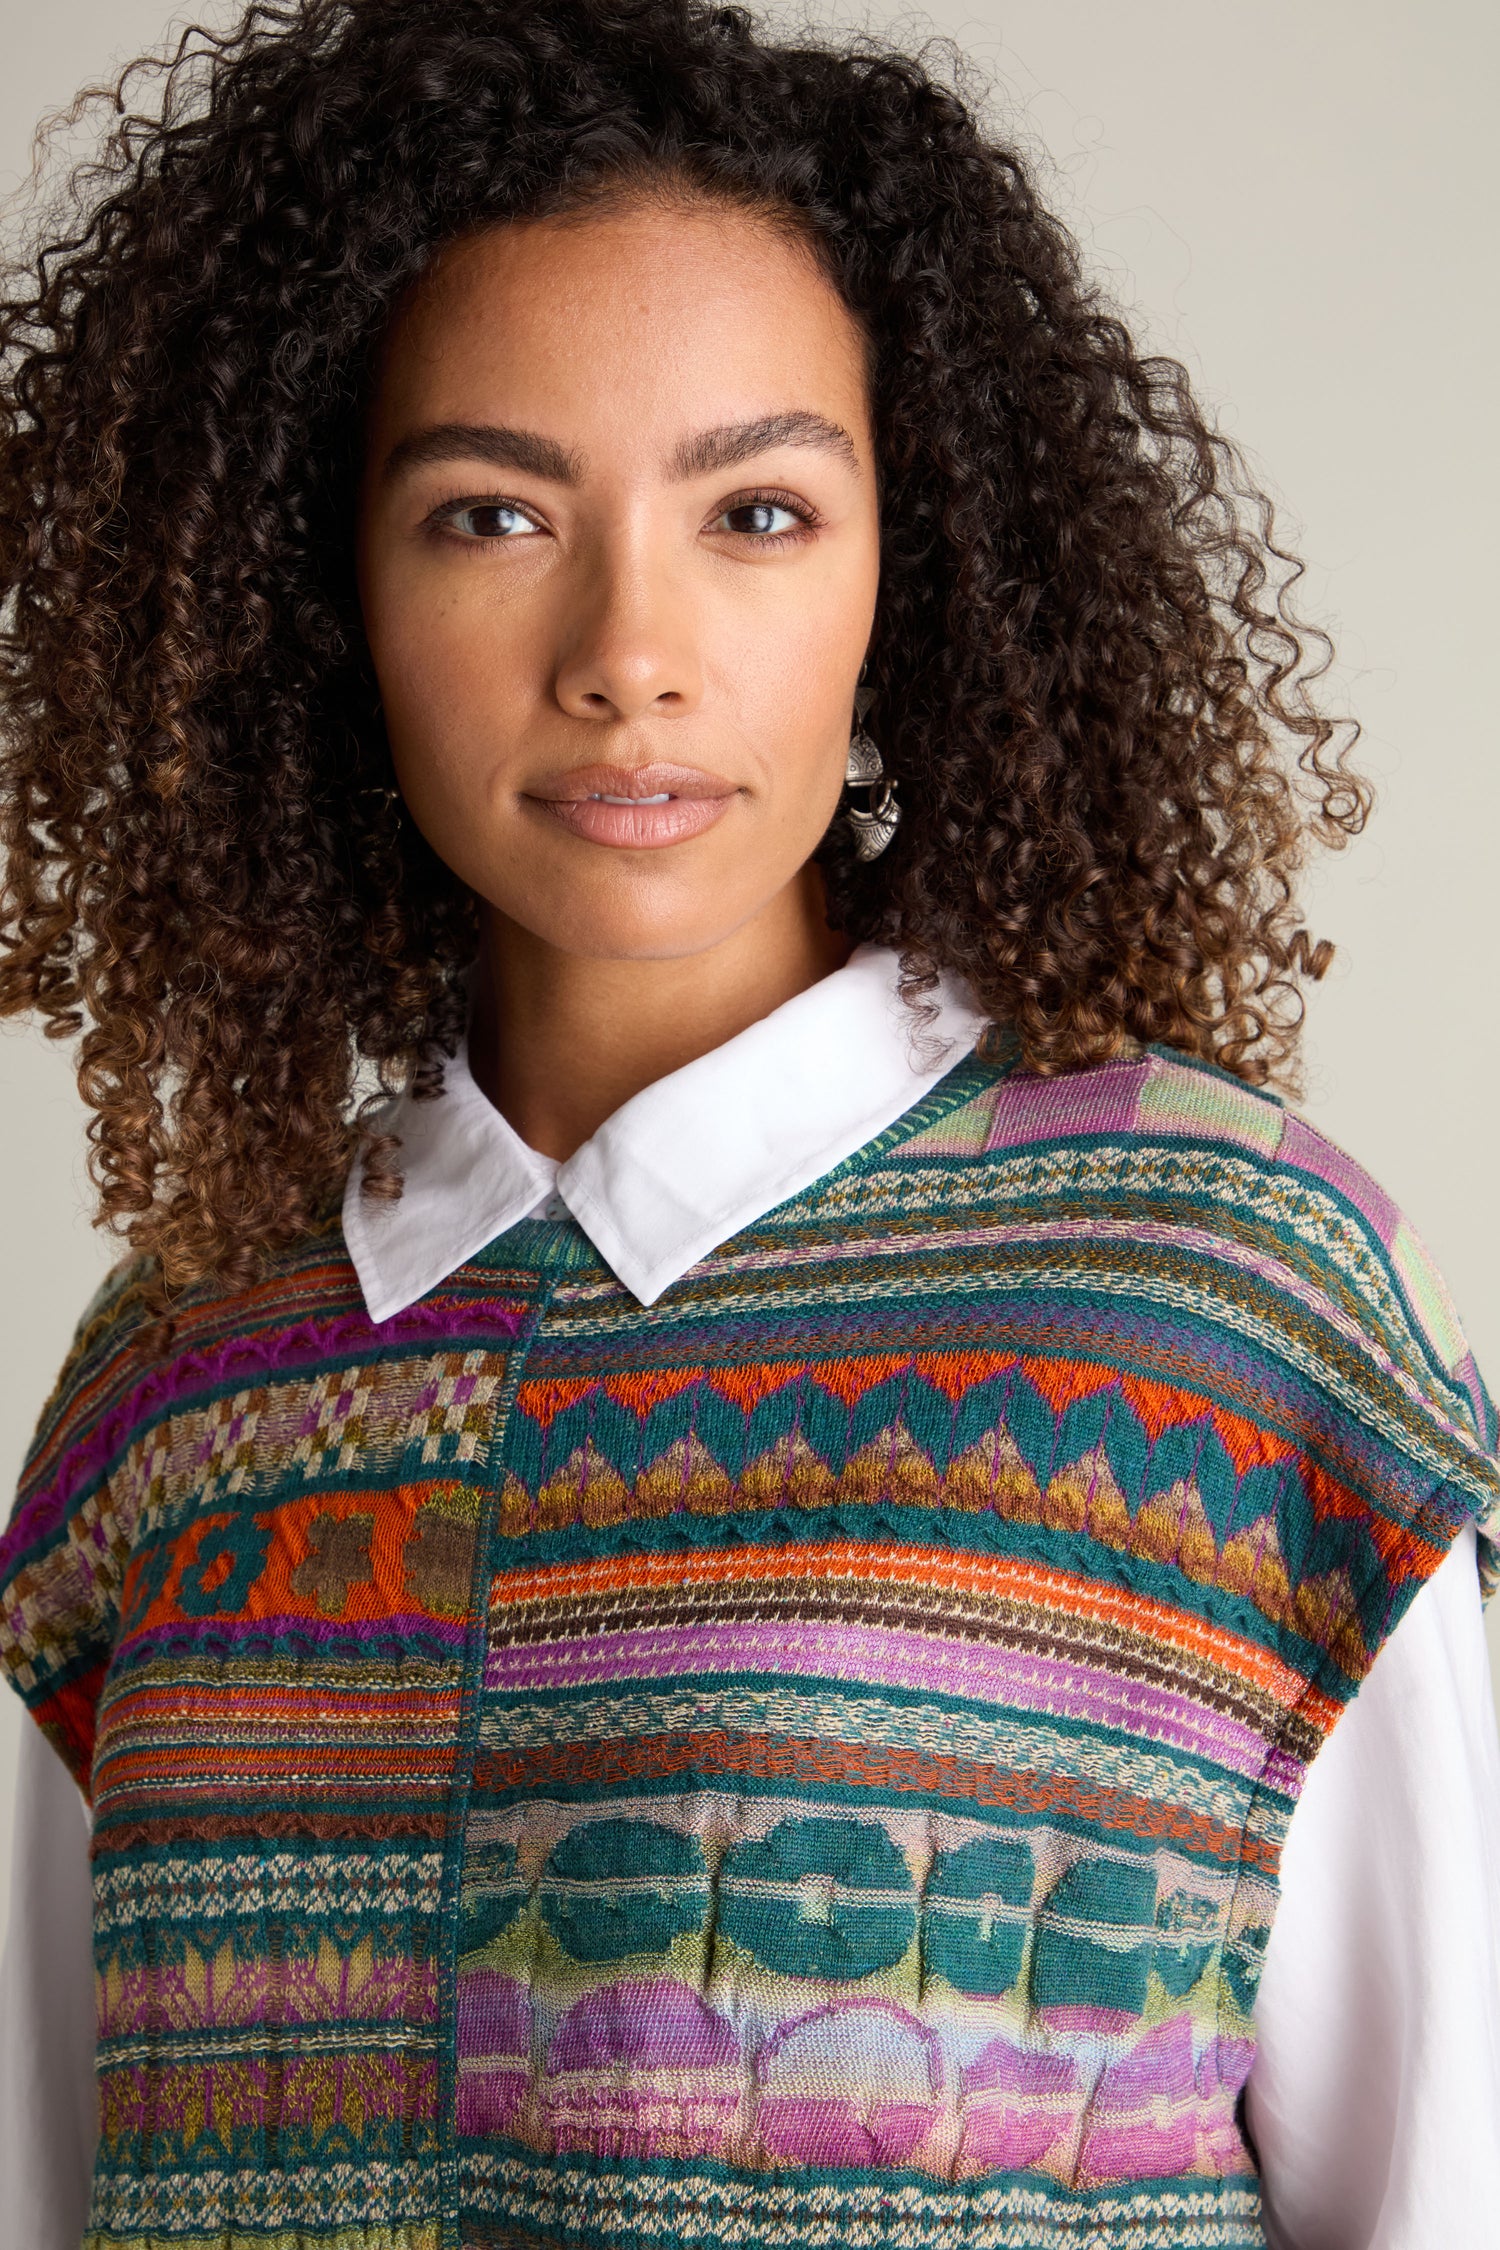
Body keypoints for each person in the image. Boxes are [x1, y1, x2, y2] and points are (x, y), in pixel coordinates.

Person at [1, 1, 1497, 2245]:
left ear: (912, 571)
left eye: (758, 511)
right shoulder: (175, 1379)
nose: (631, 648)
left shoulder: (1223, 1310)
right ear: (333, 595)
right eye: (491, 512)